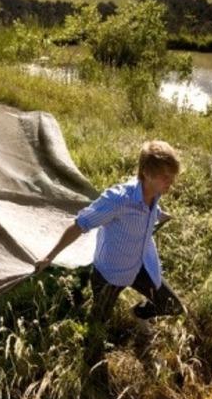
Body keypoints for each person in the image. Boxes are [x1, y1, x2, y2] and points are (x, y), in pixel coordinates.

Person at [34, 140, 186, 369]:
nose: (171, 184)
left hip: (139, 267)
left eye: (172, 178)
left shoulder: (154, 194)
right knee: (96, 334)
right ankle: (91, 374)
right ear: (146, 173)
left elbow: (146, 212)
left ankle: (140, 314)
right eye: (166, 177)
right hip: (109, 275)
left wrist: (159, 215)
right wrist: (50, 256)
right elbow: (80, 224)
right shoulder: (118, 200)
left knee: (173, 307)